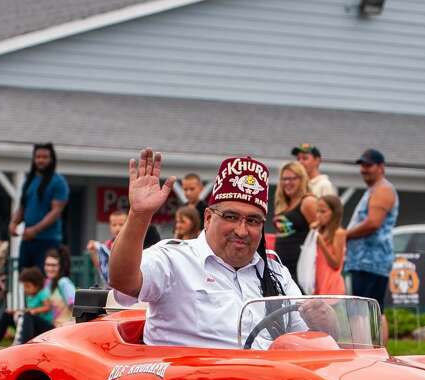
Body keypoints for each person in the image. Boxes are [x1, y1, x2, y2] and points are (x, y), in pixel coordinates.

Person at [110, 148, 334, 349]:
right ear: (207, 218)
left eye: (253, 221)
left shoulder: (275, 273)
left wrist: (326, 323)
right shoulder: (175, 258)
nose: (242, 230)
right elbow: (123, 280)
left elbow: (311, 342)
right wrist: (139, 216)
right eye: (231, 217)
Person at [343, 149, 397, 341]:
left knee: (370, 311)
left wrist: (345, 234)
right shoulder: (373, 190)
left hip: (372, 262)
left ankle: (375, 350)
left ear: (381, 167)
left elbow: (374, 223)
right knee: (365, 310)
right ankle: (370, 347)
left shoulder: (383, 189)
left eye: (368, 165)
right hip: (363, 262)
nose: (364, 169)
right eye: (362, 165)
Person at [9, 143, 69, 270]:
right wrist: (14, 223)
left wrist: (35, 230)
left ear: (52, 159)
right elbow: (22, 206)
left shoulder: (58, 182)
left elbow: (56, 212)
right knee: (25, 278)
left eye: (45, 157)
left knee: (44, 279)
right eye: (38, 157)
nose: (41, 160)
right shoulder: (29, 180)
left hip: (48, 240)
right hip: (27, 240)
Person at [0, 267, 55, 357]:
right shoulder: (30, 296)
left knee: (28, 315)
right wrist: (15, 312)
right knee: (7, 315)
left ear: (37, 285)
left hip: (45, 327)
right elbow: (27, 311)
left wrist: (34, 311)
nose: (25, 289)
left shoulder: (42, 293)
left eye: (27, 286)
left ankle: (23, 350)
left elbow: (48, 307)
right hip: (32, 324)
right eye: (24, 286)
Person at [271, 161, 319, 285]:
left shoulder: (308, 202)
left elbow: (321, 235)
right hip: (282, 268)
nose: (287, 182)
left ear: (302, 179)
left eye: (292, 178)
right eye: (284, 179)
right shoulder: (283, 204)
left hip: (301, 270)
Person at [310, 194, 347, 295]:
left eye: (323, 211)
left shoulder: (338, 233)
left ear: (334, 213)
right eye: (317, 211)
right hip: (318, 286)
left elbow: (336, 264)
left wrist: (321, 243)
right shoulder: (318, 231)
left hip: (332, 288)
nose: (318, 215)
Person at [87, 209, 126, 286]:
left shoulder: (133, 243)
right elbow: (102, 267)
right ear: (110, 226)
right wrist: (93, 253)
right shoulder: (106, 245)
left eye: (121, 224)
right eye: (114, 225)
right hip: (110, 288)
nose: (117, 228)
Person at [44, 248, 77, 326]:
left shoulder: (63, 282)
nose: (49, 268)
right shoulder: (47, 283)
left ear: (61, 266)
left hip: (63, 327)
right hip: (51, 327)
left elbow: (75, 307)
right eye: (47, 265)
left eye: (54, 265)